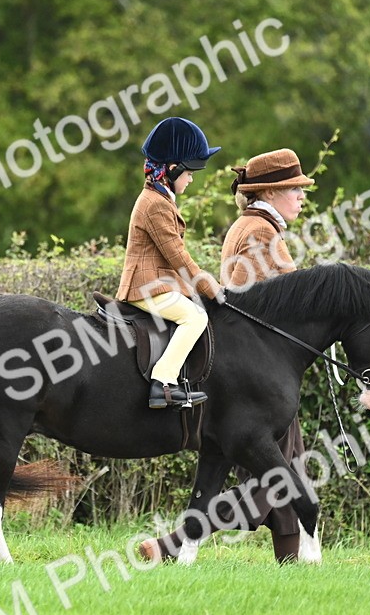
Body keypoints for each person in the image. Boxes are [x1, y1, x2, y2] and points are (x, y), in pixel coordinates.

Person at [140, 148, 315, 563]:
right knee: (283, 476)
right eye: (295, 189)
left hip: (263, 371)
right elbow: (250, 301)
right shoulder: (258, 231)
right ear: (270, 193)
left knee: (287, 473)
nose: (302, 197)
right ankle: (173, 544)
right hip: (257, 375)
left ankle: (292, 563)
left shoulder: (259, 225)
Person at [115, 117, 224, 409]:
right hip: (144, 287)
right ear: (173, 169)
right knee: (195, 317)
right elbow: (178, 256)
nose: (192, 178)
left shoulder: (160, 198)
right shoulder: (154, 204)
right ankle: (162, 383)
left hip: (157, 283)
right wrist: (210, 287)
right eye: (190, 172)